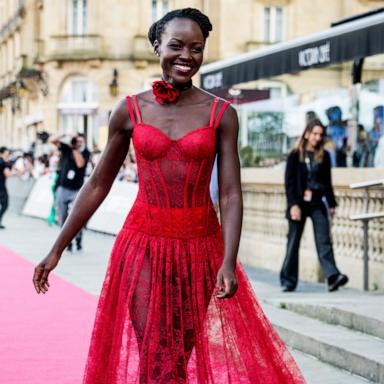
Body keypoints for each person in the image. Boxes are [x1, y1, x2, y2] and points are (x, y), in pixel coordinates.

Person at [33, 8, 305, 383]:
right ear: (156, 46)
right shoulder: (128, 110)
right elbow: (97, 184)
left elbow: (229, 194)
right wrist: (57, 246)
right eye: (176, 45)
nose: (186, 56)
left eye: (196, 48)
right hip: (141, 247)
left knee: (177, 355)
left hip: (200, 249)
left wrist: (228, 260)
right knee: (154, 352)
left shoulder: (221, 113)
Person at [281, 118, 349, 293]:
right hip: (298, 203)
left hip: (317, 203)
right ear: (307, 133)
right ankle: (288, 280)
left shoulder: (324, 156)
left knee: (324, 239)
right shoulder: (295, 155)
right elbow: (288, 183)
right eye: (314, 134)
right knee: (293, 242)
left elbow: (327, 182)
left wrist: (332, 204)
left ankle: (333, 276)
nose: (317, 138)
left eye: (320, 134)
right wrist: (293, 205)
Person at [49, 132, 90, 251]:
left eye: (80, 142)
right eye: (76, 141)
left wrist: (76, 149)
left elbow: (80, 164)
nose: (78, 143)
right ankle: (66, 242)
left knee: (76, 217)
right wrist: (65, 134)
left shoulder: (85, 152)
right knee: (62, 216)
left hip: (77, 189)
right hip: (63, 187)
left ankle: (78, 238)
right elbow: (52, 140)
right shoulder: (67, 148)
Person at [0, 147, 11, 229]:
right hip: (1, 187)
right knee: (5, 204)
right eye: (6, 154)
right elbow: (8, 174)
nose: (7, 156)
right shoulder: (3, 162)